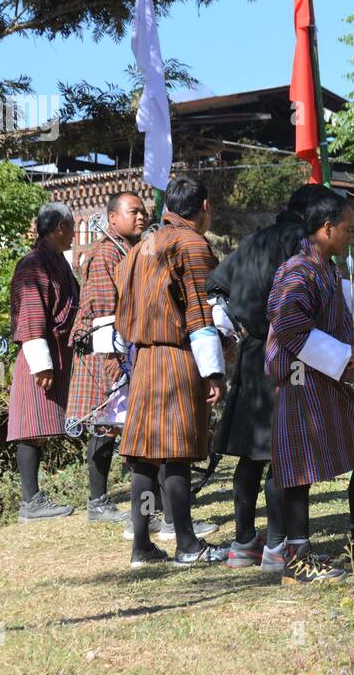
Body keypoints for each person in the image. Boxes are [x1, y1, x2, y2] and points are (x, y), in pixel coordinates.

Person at [265, 189, 354, 585]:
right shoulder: (296, 270)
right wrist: (344, 356)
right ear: (326, 229)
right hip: (299, 382)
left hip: (326, 380)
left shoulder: (325, 269)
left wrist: (353, 350)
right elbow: (290, 326)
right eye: (348, 229)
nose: (351, 236)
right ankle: (298, 557)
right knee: (298, 469)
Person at [205, 183, 331, 573]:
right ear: (312, 214)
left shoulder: (256, 240)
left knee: (251, 456)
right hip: (288, 357)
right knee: (285, 454)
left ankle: (244, 543)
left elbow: (215, 286)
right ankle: (279, 549)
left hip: (253, 352)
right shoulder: (303, 243)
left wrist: (237, 328)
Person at [115, 177, 231, 568]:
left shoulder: (139, 247)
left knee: (146, 454)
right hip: (176, 357)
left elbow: (124, 311)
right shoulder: (191, 243)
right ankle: (187, 545)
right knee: (176, 451)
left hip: (143, 358)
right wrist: (213, 370)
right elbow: (203, 309)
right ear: (203, 205)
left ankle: (142, 548)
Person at [65, 191, 148, 523]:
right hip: (105, 349)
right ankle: (98, 503)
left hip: (122, 345)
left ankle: (142, 498)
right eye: (133, 212)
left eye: (143, 211)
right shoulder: (105, 255)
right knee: (106, 424)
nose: (140, 217)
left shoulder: (126, 249)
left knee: (120, 423)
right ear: (113, 218)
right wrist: (113, 360)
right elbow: (102, 312)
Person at [7, 202, 80, 521]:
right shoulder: (34, 264)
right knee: (30, 427)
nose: (75, 234)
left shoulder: (56, 261)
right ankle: (30, 501)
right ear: (60, 227)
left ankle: (33, 499)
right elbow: (33, 312)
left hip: (57, 351)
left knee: (39, 425)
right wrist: (43, 363)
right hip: (39, 356)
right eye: (72, 227)